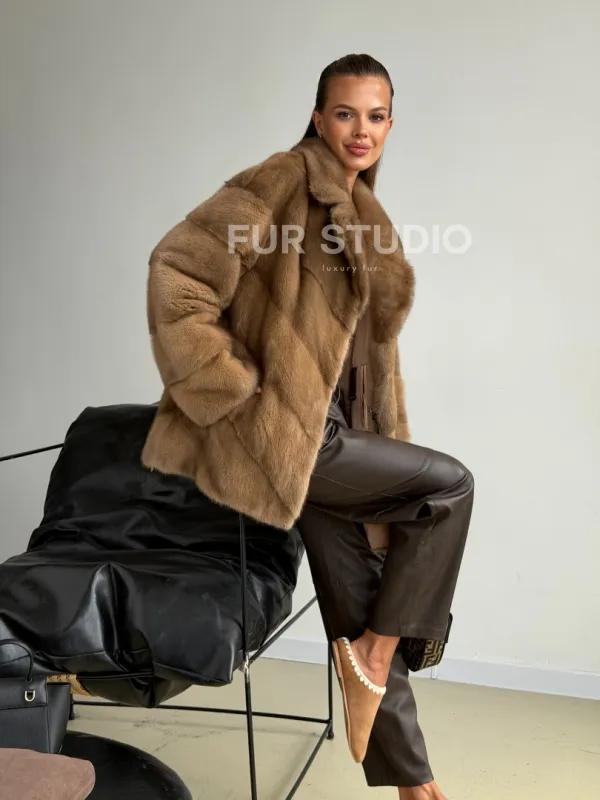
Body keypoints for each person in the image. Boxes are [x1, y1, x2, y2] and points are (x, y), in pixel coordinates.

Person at [142, 53, 474, 800]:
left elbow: (366, 357)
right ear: (319, 118)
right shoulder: (283, 179)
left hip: (339, 433)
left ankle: (414, 785)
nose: (361, 130)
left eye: (376, 116)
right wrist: (237, 392)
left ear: (391, 124)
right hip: (290, 435)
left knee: (358, 602)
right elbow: (177, 271)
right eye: (346, 113)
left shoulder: (364, 213)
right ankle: (381, 653)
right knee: (449, 488)